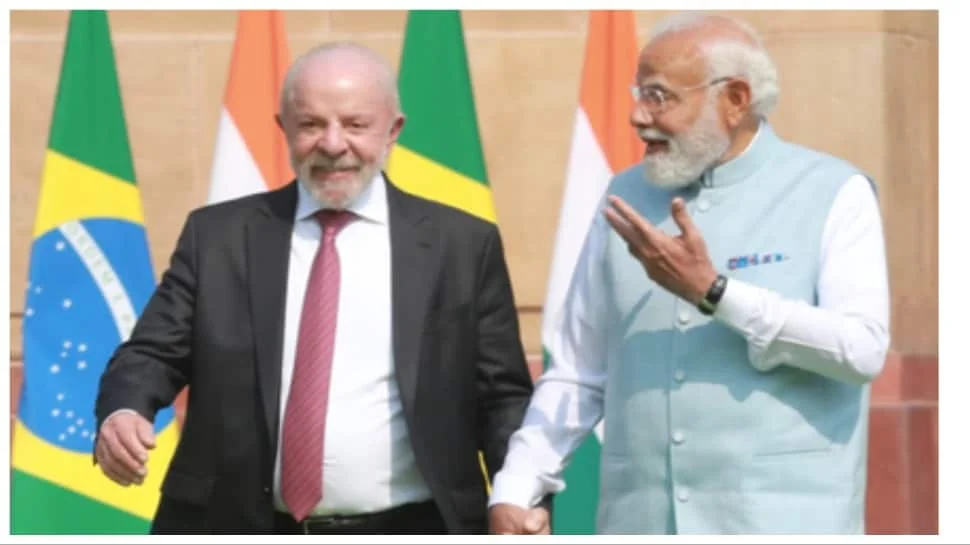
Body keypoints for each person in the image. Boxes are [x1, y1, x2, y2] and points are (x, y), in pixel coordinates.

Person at [93, 41, 537, 535]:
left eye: (355, 124)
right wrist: (124, 409)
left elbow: (502, 397)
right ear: (283, 128)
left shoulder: (462, 245)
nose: (332, 143)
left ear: (393, 131)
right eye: (310, 124)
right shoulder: (218, 237)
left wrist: (520, 497)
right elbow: (153, 352)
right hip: (235, 522)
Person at [488, 12, 891, 535]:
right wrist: (517, 486)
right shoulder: (623, 195)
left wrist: (715, 293)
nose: (637, 116)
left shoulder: (832, 190)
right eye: (639, 94)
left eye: (659, 96)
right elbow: (579, 369)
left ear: (735, 99)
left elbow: (861, 350)